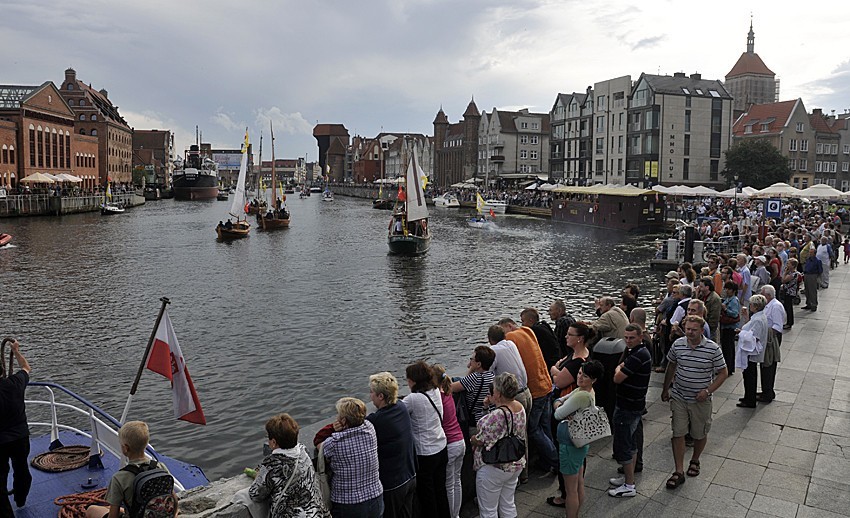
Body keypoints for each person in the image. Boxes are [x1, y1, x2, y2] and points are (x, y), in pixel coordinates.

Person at [661, 315, 728, 490]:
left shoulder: (713, 349)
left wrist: (707, 391)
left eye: (694, 330)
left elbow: (723, 373)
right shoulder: (678, 344)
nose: (690, 332)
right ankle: (678, 471)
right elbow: (672, 366)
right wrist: (665, 388)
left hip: (700, 400)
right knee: (678, 432)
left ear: (701, 330)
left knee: (699, 433)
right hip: (679, 396)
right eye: (688, 329)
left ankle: (695, 459)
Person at [498, 318, 557, 477]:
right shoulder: (528, 330)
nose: (503, 336)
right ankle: (547, 461)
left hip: (535, 390)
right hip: (546, 384)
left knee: (533, 429)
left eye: (503, 331)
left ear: (509, 326)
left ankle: (555, 460)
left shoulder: (509, 339)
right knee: (545, 425)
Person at [85, 421, 175, 518]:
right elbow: (173, 498)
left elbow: (113, 516)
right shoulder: (160, 467)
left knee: (91, 510)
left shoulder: (119, 478)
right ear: (146, 444)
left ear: (125, 448)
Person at [246, 414, 329, 518]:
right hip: (316, 513)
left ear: (273, 442)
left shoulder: (272, 464)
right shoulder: (303, 451)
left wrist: (258, 475)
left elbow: (255, 494)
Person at [546, 323, 592, 508]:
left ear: (579, 338)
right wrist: (557, 369)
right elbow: (559, 368)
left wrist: (555, 370)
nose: (565, 337)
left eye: (569, 334)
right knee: (578, 459)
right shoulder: (579, 355)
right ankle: (572, 492)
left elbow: (557, 377)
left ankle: (566, 495)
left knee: (566, 454)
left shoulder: (577, 362)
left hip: (567, 412)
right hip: (571, 412)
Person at [552, 360, 605, 518]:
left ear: (594, 379)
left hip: (570, 445)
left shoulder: (581, 395)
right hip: (579, 443)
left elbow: (557, 413)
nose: (580, 377)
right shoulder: (584, 391)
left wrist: (559, 405)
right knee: (579, 483)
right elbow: (560, 402)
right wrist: (560, 404)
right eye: (580, 373)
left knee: (570, 490)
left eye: (586, 376)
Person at [470, 372, 526, 518]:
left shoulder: (498, 415)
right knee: (507, 504)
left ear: (499, 394)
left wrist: (472, 440)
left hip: (495, 467)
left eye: (493, 390)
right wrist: (488, 406)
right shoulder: (519, 407)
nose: (491, 392)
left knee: (488, 511)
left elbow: (481, 436)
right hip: (515, 464)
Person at [607, 325, 652, 498]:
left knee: (623, 445)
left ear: (640, 337)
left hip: (627, 406)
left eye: (631, 338)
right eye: (625, 337)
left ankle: (629, 485)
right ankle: (627, 477)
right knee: (632, 443)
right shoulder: (639, 352)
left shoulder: (637, 355)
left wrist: (619, 368)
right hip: (634, 405)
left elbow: (617, 377)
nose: (627, 341)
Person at [321, 397, 383, 517]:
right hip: (375, 496)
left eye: (338, 415)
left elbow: (318, 441)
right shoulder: (370, 429)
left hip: (348, 504)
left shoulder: (334, 443)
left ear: (343, 421)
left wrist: (332, 428)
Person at [365, 373, 416, 518]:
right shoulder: (401, 407)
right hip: (410, 474)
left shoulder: (376, 420)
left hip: (393, 484)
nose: (370, 396)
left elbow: (354, 425)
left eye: (372, 392)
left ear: (381, 396)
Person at [404, 362, 450, 518]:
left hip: (425, 454)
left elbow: (398, 410)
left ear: (414, 381)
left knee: (427, 496)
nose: (407, 383)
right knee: (440, 490)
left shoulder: (413, 399)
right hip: (441, 446)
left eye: (408, 379)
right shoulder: (435, 391)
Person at [0, 339, 31, 516]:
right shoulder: (15, 383)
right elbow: (26, 368)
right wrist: (16, 351)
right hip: (20, 437)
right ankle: (21, 498)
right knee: (22, 469)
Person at [432, 364, 465, 518]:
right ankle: (456, 514)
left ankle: (451, 515)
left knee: (449, 484)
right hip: (460, 441)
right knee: (457, 481)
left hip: (450, 444)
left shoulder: (437, 398)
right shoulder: (448, 394)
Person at [735, 295, 769, 408]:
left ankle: (750, 400)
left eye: (751, 305)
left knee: (750, 376)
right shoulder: (758, 317)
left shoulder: (759, 319)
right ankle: (748, 396)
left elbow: (754, 337)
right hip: (750, 352)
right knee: (748, 375)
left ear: (755, 306)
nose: (750, 306)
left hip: (752, 353)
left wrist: (741, 333)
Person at [450, 345, 496, 425]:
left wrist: (471, 369)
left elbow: (451, 388)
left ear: (478, 364)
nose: (470, 362)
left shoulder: (475, 377)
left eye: (472, 359)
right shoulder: (492, 375)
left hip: (475, 420)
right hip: (488, 416)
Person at [758, 285, 786, 404]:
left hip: (771, 339)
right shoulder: (768, 305)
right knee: (764, 365)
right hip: (766, 337)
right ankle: (765, 390)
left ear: (768, 296)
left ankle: (768, 392)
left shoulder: (775, 306)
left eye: (762, 294)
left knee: (769, 364)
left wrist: (765, 333)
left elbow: (777, 326)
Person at [719, 281, 741, 375]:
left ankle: (729, 367)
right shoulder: (728, 299)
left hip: (730, 327)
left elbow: (735, 313)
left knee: (728, 348)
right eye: (726, 288)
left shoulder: (734, 300)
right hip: (725, 326)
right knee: (726, 347)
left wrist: (725, 309)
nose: (727, 291)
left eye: (729, 289)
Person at [780, 258, 800, 330]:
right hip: (786, 291)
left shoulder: (794, 274)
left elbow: (784, 280)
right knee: (787, 306)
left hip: (790, 292)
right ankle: (788, 321)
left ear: (793, 265)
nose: (787, 265)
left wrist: (785, 272)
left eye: (789, 264)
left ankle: (789, 323)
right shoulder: (790, 273)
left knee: (789, 308)